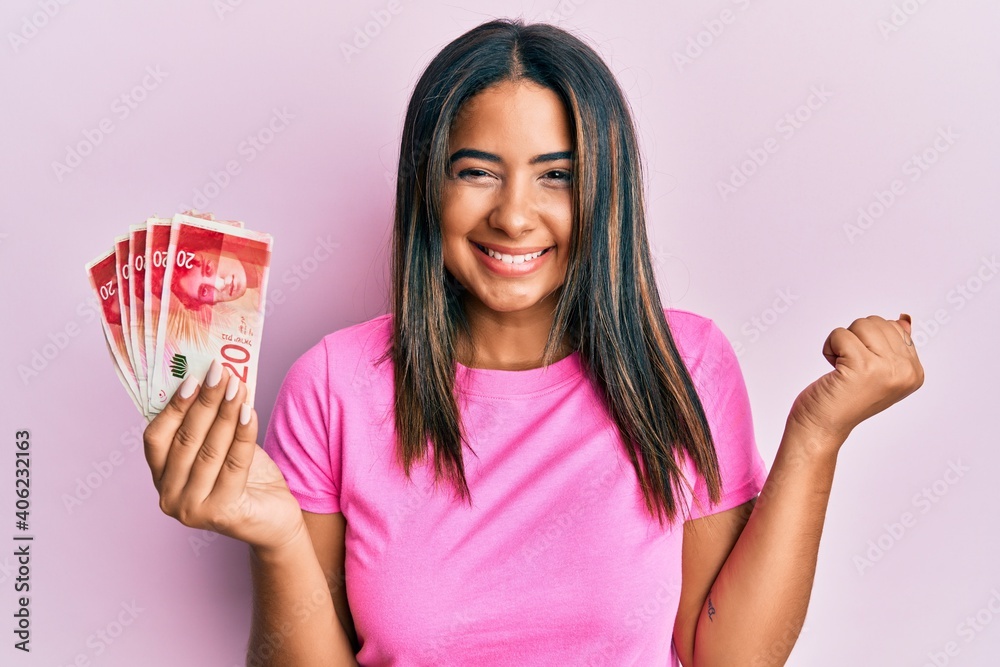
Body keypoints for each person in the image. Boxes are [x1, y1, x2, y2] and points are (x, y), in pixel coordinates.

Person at [141, 18, 924, 666]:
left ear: (603, 190)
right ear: (428, 184)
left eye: (555, 175)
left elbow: (729, 656)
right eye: (477, 171)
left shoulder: (686, 365)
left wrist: (818, 434)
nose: (514, 215)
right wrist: (277, 537)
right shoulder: (336, 384)